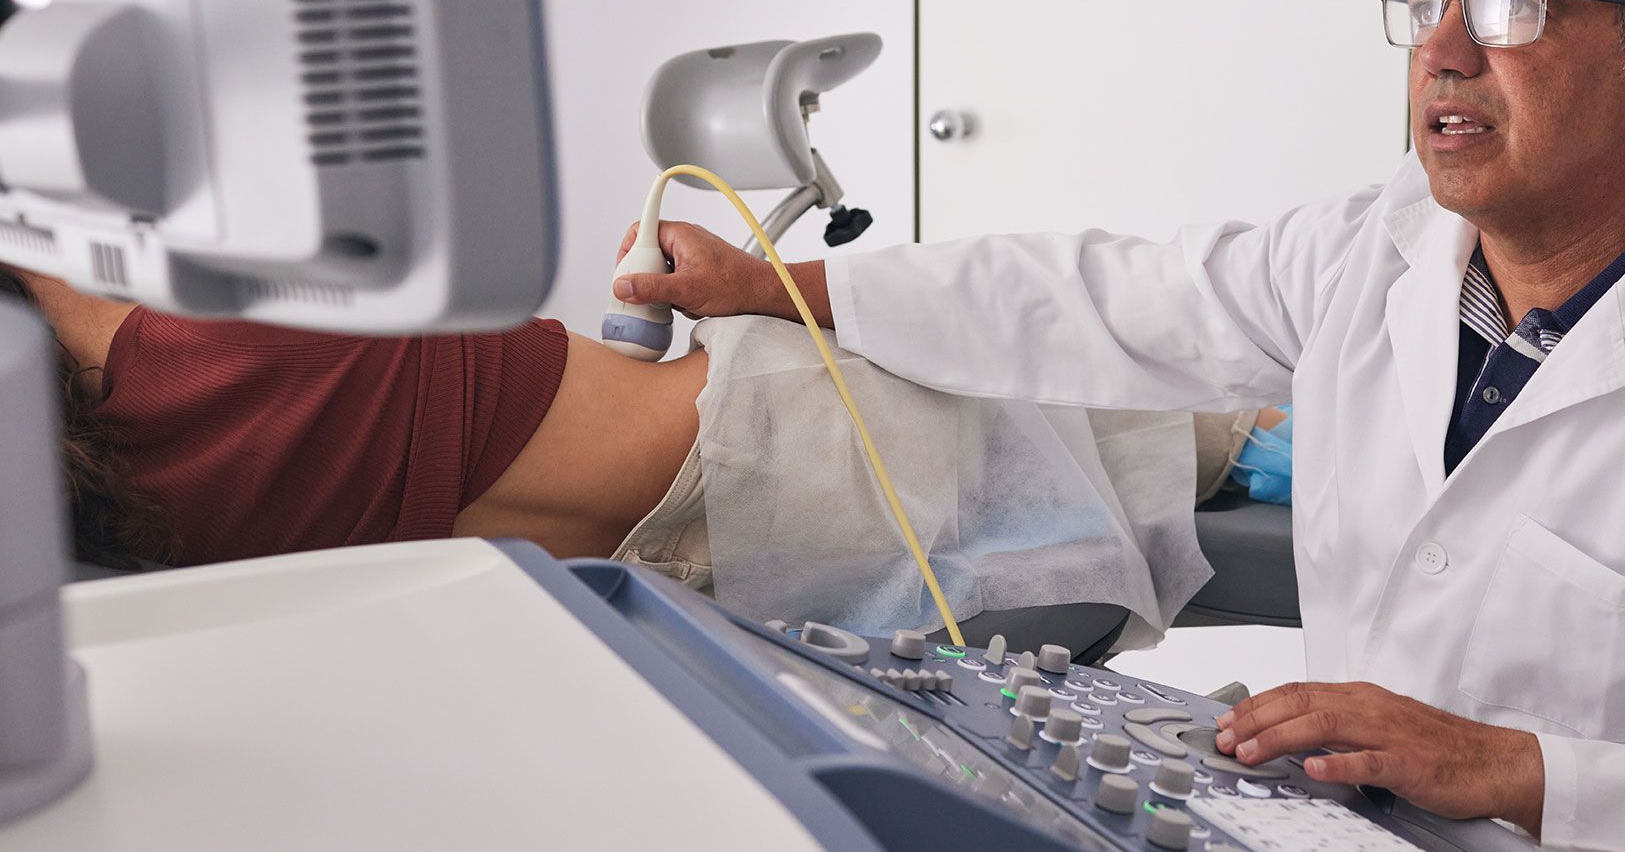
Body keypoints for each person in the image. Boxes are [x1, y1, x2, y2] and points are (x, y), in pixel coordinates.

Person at [612, 0, 1625, 852]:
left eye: (1514, 7)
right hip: (1335, 834)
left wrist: (1512, 767)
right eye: (1428, 2)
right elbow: (1098, 298)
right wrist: (785, 285)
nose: (1446, 55)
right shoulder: (1378, 251)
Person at [3, 261, 1279, 642]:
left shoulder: (96, 511)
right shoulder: (168, 325)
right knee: (1230, 442)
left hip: (678, 573)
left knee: (1214, 455)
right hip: (798, 433)